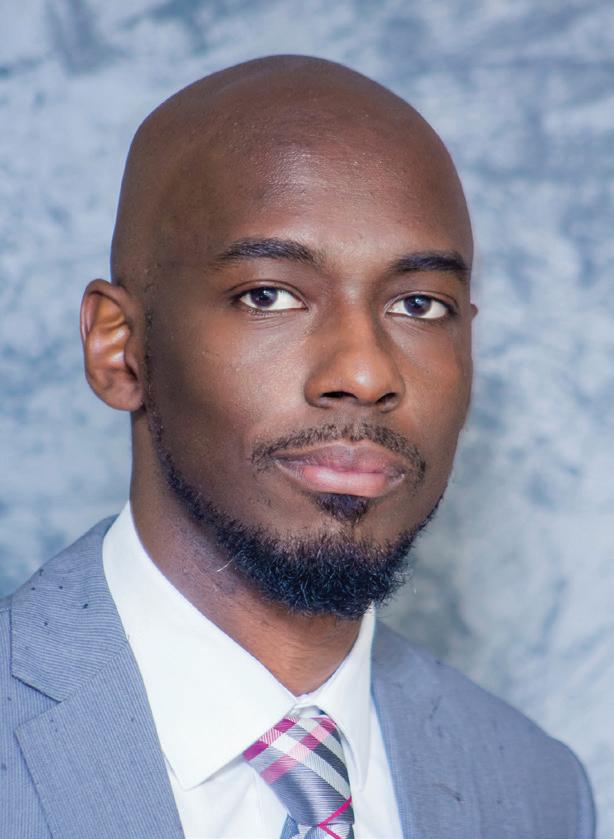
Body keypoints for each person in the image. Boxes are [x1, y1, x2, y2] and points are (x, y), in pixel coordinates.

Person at [0, 55, 595, 839]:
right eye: (269, 294)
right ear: (120, 347)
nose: (365, 372)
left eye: (420, 304)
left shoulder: (537, 791)